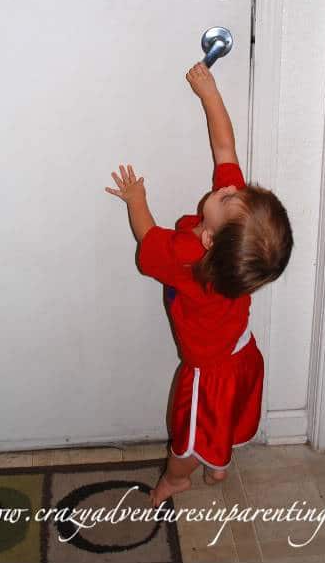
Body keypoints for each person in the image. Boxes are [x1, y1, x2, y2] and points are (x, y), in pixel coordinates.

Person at [105, 61, 293, 508]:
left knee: (187, 437)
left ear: (208, 238)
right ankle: (220, 456)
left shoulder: (186, 259)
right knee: (222, 421)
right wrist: (209, 92)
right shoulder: (236, 241)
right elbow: (225, 148)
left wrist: (137, 199)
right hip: (241, 349)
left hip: (208, 372)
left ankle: (177, 479)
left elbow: (147, 236)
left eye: (232, 195)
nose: (234, 187)